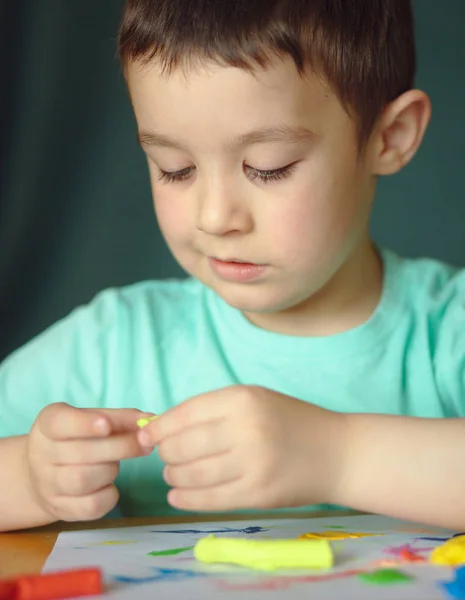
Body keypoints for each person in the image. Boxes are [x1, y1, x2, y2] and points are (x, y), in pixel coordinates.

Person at [1, 0, 464, 534]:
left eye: (268, 169)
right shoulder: (115, 345)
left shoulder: (446, 332)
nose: (215, 217)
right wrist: (29, 478)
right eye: (175, 169)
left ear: (391, 136)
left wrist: (338, 457)